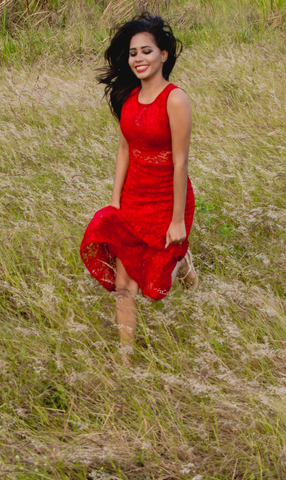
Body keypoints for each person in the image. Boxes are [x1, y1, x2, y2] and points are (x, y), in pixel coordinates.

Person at [80, 14, 196, 367]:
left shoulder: (175, 99)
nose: (139, 58)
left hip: (166, 198)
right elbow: (124, 149)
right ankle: (126, 361)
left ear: (163, 55)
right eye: (133, 53)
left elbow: (180, 163)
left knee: (157, 274)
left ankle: (184, 263)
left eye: (147, 51)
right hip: (133, 197)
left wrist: (177, 220)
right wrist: (115, 200)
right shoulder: (128, 97)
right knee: (125, 281)